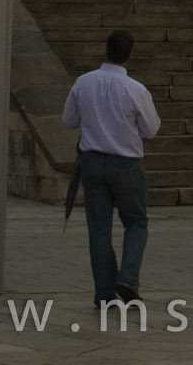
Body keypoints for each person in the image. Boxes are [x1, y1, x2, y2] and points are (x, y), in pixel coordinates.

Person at [62, 29, 161, 310]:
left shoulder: (84, 82)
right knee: (136, 222)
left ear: (105, 49)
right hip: (126, 163)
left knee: (99, 228)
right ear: (129, 54)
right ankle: (128, 278)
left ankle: (104, 294)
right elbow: (151, 129)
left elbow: (68, 119)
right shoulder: (135, 89)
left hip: (92, 161)